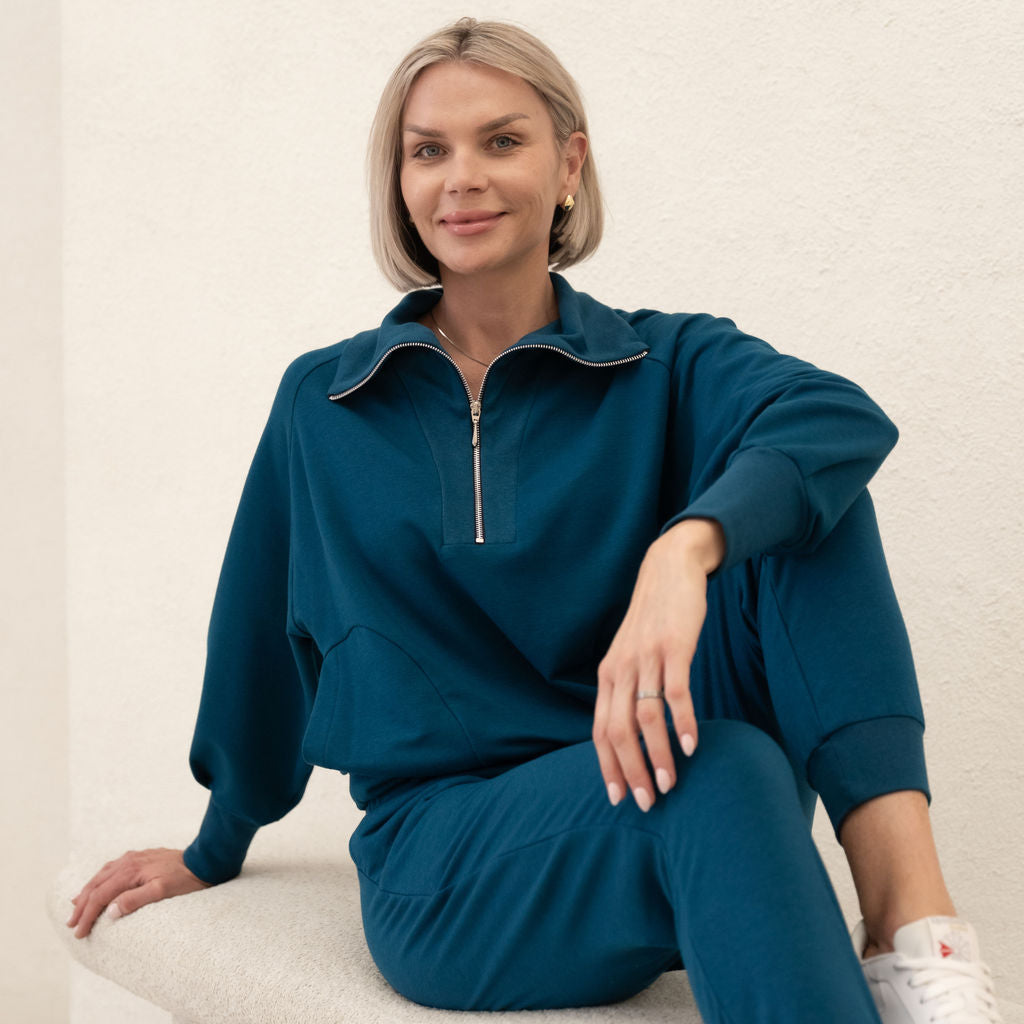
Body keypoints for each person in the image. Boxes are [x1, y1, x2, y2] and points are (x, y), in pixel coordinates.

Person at [67, 17, 1004, 1024]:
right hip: (453, 865)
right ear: (400, 182)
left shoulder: (663, 363)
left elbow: (840, 417)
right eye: (428, 150)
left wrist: (685, 549)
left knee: (804, 486)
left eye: (502, 141)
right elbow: (263, 635)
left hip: (652, 783)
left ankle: (911, 929)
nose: (461, 177)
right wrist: (215, 845)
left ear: (568, 164)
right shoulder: (326, 403)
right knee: (721, 761)